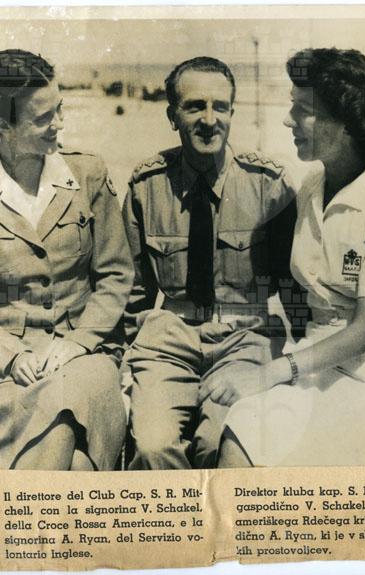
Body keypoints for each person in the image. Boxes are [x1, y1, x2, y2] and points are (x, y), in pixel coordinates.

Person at [217, 48, 365, 467]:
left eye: (303, 111)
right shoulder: (311, 185)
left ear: (346, 121)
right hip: (312, 359)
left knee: (278, 458)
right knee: (238, 440)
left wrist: (270, 372)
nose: (288, 120)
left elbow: (364, 330)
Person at [0, 49, 134, 470]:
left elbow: (116, 275)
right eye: (43, 117)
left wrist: (78, 341)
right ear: (4, 126)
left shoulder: (88, 175)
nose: (59, 123)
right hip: (9, 368)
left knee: (62, 421)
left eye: (60, 108)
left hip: (88, 352)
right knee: (75, 462)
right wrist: (13, 357)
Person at [122, 56, 304, 469]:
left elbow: (294, 287)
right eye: (194, 107)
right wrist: (124, 362)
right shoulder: (146, 187)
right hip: (168, 342)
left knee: (220, 442)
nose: (209, 120)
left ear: (232, 112)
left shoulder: (269, 187)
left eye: (220, 107)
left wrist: (296, 363)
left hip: (246, 338)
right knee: (151, 446)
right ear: (173, 116)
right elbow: (133, 293)